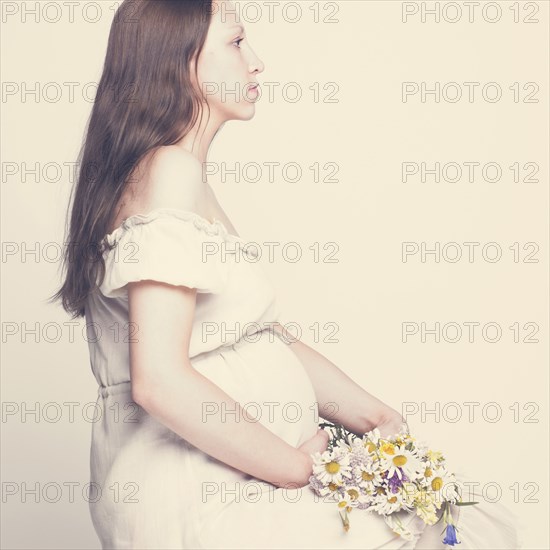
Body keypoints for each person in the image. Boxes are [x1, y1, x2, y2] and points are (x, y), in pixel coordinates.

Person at [50, 1, 524, 548]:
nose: (257, 62)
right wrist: (300, 470)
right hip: (198, 492)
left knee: (442, 517)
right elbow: (159, 379)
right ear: (179, 61)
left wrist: (372, 415)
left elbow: (257, 337)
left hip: (240, 478)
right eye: (235, 43)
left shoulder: (181, 175)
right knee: (435, 529)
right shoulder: (169, 172)